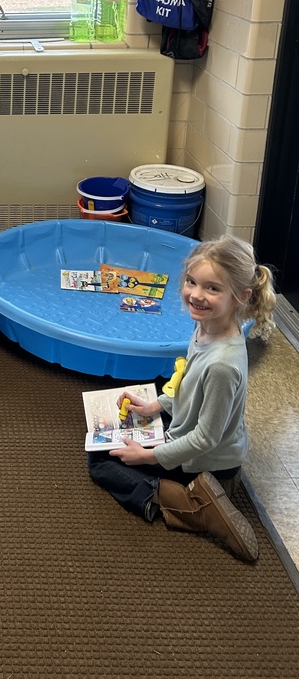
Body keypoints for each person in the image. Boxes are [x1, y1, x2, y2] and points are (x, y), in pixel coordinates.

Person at [87, 234, 276, 562]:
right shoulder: (206, 327)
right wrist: (154, 406)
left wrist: (148, 457)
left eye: (213, 288)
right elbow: (187, 387)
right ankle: (197, 490)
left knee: (101, 461)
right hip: (195, 437)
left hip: (208, 463)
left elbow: (206, 438)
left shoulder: (222, 365)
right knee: (114, 433)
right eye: (192, 282)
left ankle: (194, 506)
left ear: (241, 297)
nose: (196, 295)